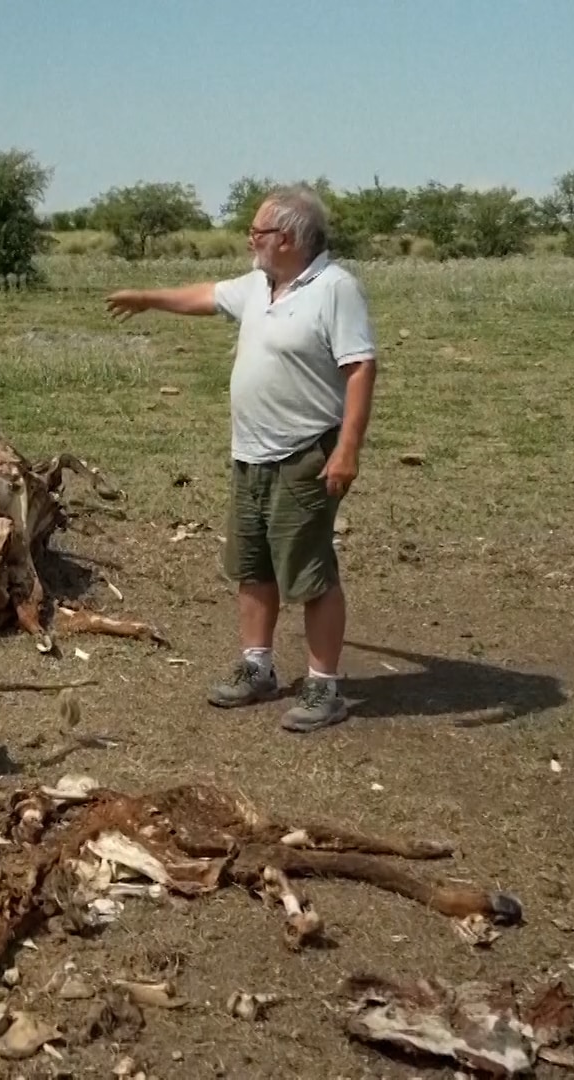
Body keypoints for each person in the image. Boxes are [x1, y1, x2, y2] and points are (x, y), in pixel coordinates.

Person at [104, 184, 378, 733]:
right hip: (250, 455)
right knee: (253, 566)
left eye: (257, 232)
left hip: (305, 454)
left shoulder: (334, 289)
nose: (249, 240)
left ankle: (325, 687)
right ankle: (258, 668)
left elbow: (361, 368)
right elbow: (206, 296)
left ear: (289, 238)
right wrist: (149, 298)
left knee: (309, 571)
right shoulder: (261, 285)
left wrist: (347, 450)